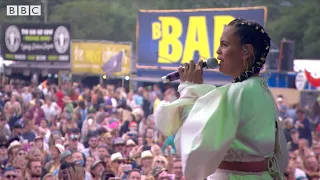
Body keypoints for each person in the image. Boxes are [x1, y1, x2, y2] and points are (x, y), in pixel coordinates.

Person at [155, 18, 289, 180]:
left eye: (225, 45)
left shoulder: (239, 91)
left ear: (246, 51)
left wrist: (190, 88)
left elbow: (196, 144)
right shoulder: (259, 89)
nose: (218, 51)